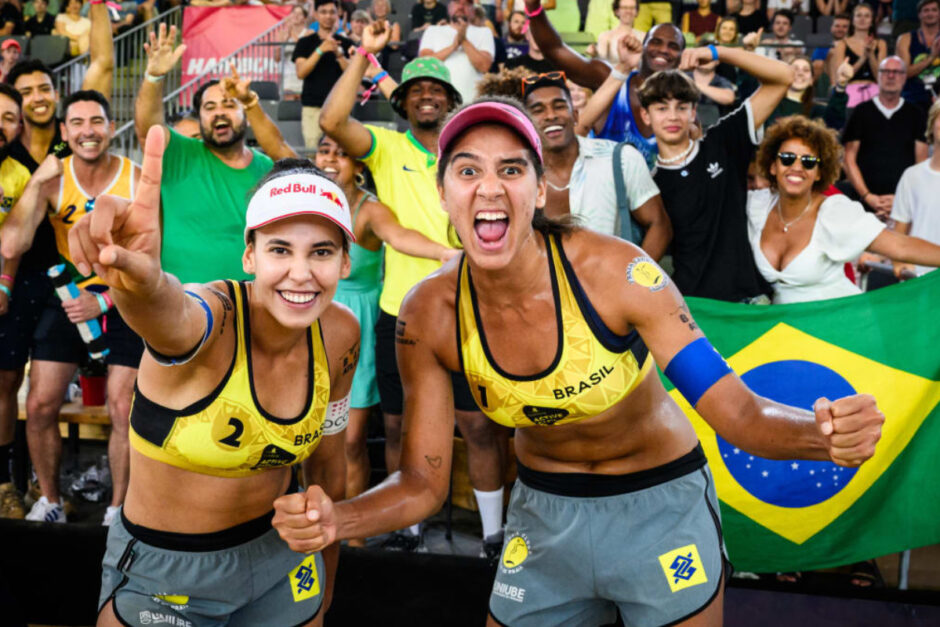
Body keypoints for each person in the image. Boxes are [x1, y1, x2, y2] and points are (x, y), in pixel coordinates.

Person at [272, 97, 885, 627]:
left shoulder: (615, 272)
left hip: (660, 505)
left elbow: (737, 412)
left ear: (540, 190)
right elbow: (424, 483)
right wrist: (337, 518)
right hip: (543, 512)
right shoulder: (427, 312)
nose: (489, 187)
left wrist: (822, 435)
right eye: (467, 170)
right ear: (442, 193)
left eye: (511, 169)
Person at [68, 126, 355, 626]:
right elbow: (171, 317)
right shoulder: (216, 313)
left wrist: (326, 571)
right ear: (249, 256)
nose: (302, 273)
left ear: (345, 262)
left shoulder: (340, 333)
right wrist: (142, 285)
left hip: (280, 562)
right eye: (280, 249)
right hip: (165, 574)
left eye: (322, 252)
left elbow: (327, 468)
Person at [321, 25, 509, 556]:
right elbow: (333, 121)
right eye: (415, 92)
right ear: (402, 104)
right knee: (400, 426)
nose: (426, 98)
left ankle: (493, 534)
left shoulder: (472, 151)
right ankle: (408, 528)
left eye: (436, 91)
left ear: (452, 102)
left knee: (476, 426)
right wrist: (365, 54)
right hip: (400, 314)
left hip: (469, 309)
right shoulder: (383, 147)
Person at [1, 90, 142, 526]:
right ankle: (50, 501)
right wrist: (41, 179)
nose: (87, 131)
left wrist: (102, 299)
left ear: (110, 127)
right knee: (41, 404)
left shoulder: (135, 178)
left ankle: (117, 511)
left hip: (123, 300)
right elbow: (10, 244)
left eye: (96, 121)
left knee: (123, 409)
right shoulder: (55, 179)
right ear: (64, 132)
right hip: (67, 298)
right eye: (77, 123)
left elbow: (153, 258)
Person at [313, 133, 459, 529]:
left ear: (360, 166)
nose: (330, 158)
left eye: (342, 153)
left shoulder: (369, 209)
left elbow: (399, 236)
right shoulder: (307, 201)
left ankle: (352, 536)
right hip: (307, 318)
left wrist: (444, 253)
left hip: (354, 319)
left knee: (350, 439)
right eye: (324, 150)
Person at [135, 26, 295, 284]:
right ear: (200, 119)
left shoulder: (265, 168)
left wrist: (250, 102)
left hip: (249, 306)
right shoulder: (180, 154)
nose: (219, 112)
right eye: (209, 108)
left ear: (245, 114)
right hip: (183, 305)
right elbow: (148, 130)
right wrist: (153, 78)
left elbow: (290, 161)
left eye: (229, 105)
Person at [639, 42, 793, 302]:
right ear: (646, 115)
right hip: (693, 308)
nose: (673, 116)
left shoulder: (723, 142)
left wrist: (716, 52)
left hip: (749, 300)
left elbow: (783, 77)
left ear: (693, 112)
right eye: (662, 108)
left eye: (681, 106)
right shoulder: (649, 182)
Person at [748, 114, 940, 303]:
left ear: (818, 174)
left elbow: (900, 246)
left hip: (840, 327)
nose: (797, 167)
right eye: (788, 158)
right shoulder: (756, 207)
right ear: (773, 166)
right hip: (786, 329)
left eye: (808, 162)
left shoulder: (834, 212)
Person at [483, 70, 671, 252]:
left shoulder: (620, 158)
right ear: (527, 123)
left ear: (575, 115)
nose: (551, 115)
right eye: (538, 110)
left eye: (559, 106)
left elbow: (660, 225)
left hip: (608, 280)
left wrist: (633, 279)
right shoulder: (514, 175)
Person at [550, 23, 685, 165]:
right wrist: (623, 67)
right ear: (643, 47)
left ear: (682, 57)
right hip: (603, 184)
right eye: (655, 42)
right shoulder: (611, 80)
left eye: (673, 46)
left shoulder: (684, 107)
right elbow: (579, 130)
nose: (664, 49)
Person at [0, 83, 32, 519]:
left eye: (9, 117)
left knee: (5, 385)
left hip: (5, 295)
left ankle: (4, 483)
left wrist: (5, 284)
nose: (0, 125)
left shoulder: (20, 175)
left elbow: (17, 241)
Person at [843, 56, 928, 218]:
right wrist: (868, 196)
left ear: (904, 77)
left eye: (896, 72)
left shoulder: (916, 114)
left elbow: (921, 164)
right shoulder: (861, 112)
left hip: (905, 207)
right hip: (862, 206)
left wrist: (900, 200)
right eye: (886, 71)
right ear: (878, 75)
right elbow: (849, 159)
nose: (891, 76)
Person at [293, 0, 354, 148]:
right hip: (312, 107)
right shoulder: (304, 42)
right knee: (313, 152)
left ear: (338, 15)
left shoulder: (346, 43)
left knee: (343, 150)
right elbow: (301, 72)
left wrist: (339, 55)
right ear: (316, 15)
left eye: (332, 12)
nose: (328, 16)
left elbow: (354, 74)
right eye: (323, 12)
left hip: (340, 107)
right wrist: (321, 50)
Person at [891, 100, 940, 279]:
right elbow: (899, 232)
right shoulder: (911, 176)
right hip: (917, 279)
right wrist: (897, 262)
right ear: (932, 124)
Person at [419, 1, 495, 103]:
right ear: (449, 7)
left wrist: (463, 40)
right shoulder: (433, 31)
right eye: (457, 2)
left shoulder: (484, 32)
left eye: (466, 4)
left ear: (473, 11)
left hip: (472, 101)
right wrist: (453, 47)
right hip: (439, 102)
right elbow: (424, 65)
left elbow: (484, 66)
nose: (461, 7)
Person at [764, 56, 851, 130]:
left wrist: (841, 84)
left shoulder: (817, 111)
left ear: (811, 81)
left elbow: (835, 123)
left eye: (806, 70)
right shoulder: (770, 106)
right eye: (795, 69)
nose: (800, 73)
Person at [830, 3, 886, 107]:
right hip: (850, 90)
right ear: (853, 20)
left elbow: (881, 78)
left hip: (874, 90)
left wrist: (871, 55)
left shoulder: (881, 44)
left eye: (866, 16)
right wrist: (863, 58)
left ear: (872, 21)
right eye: (859, 15)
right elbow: (841, 77)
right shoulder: (842, 44)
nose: (862, 19)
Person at [896, 0, 940, 111]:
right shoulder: (905, 39)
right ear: (919, 15)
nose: (930, 14)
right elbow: (904, 73)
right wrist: (932, 57)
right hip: (912, 97)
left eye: (934, 10)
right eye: (926, 10)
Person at [591, 0, 645, 65]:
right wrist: (595, 54)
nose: (628, 11)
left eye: (632, 8)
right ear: (617, 11)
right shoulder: (605, 36)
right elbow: (602, 64)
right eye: (624, 8)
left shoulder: (644, 36)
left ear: (636, 12)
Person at [277, 4, 311, 100]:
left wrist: (292, 33)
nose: (296, 16)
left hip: (303, 75)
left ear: (304, 18)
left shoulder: (309, 33)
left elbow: (306, 51)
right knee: (289, 105)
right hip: (288, 77)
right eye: (294, 13)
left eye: (299, 14)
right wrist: (284, 40)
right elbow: (277, 58)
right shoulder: (282, 33)